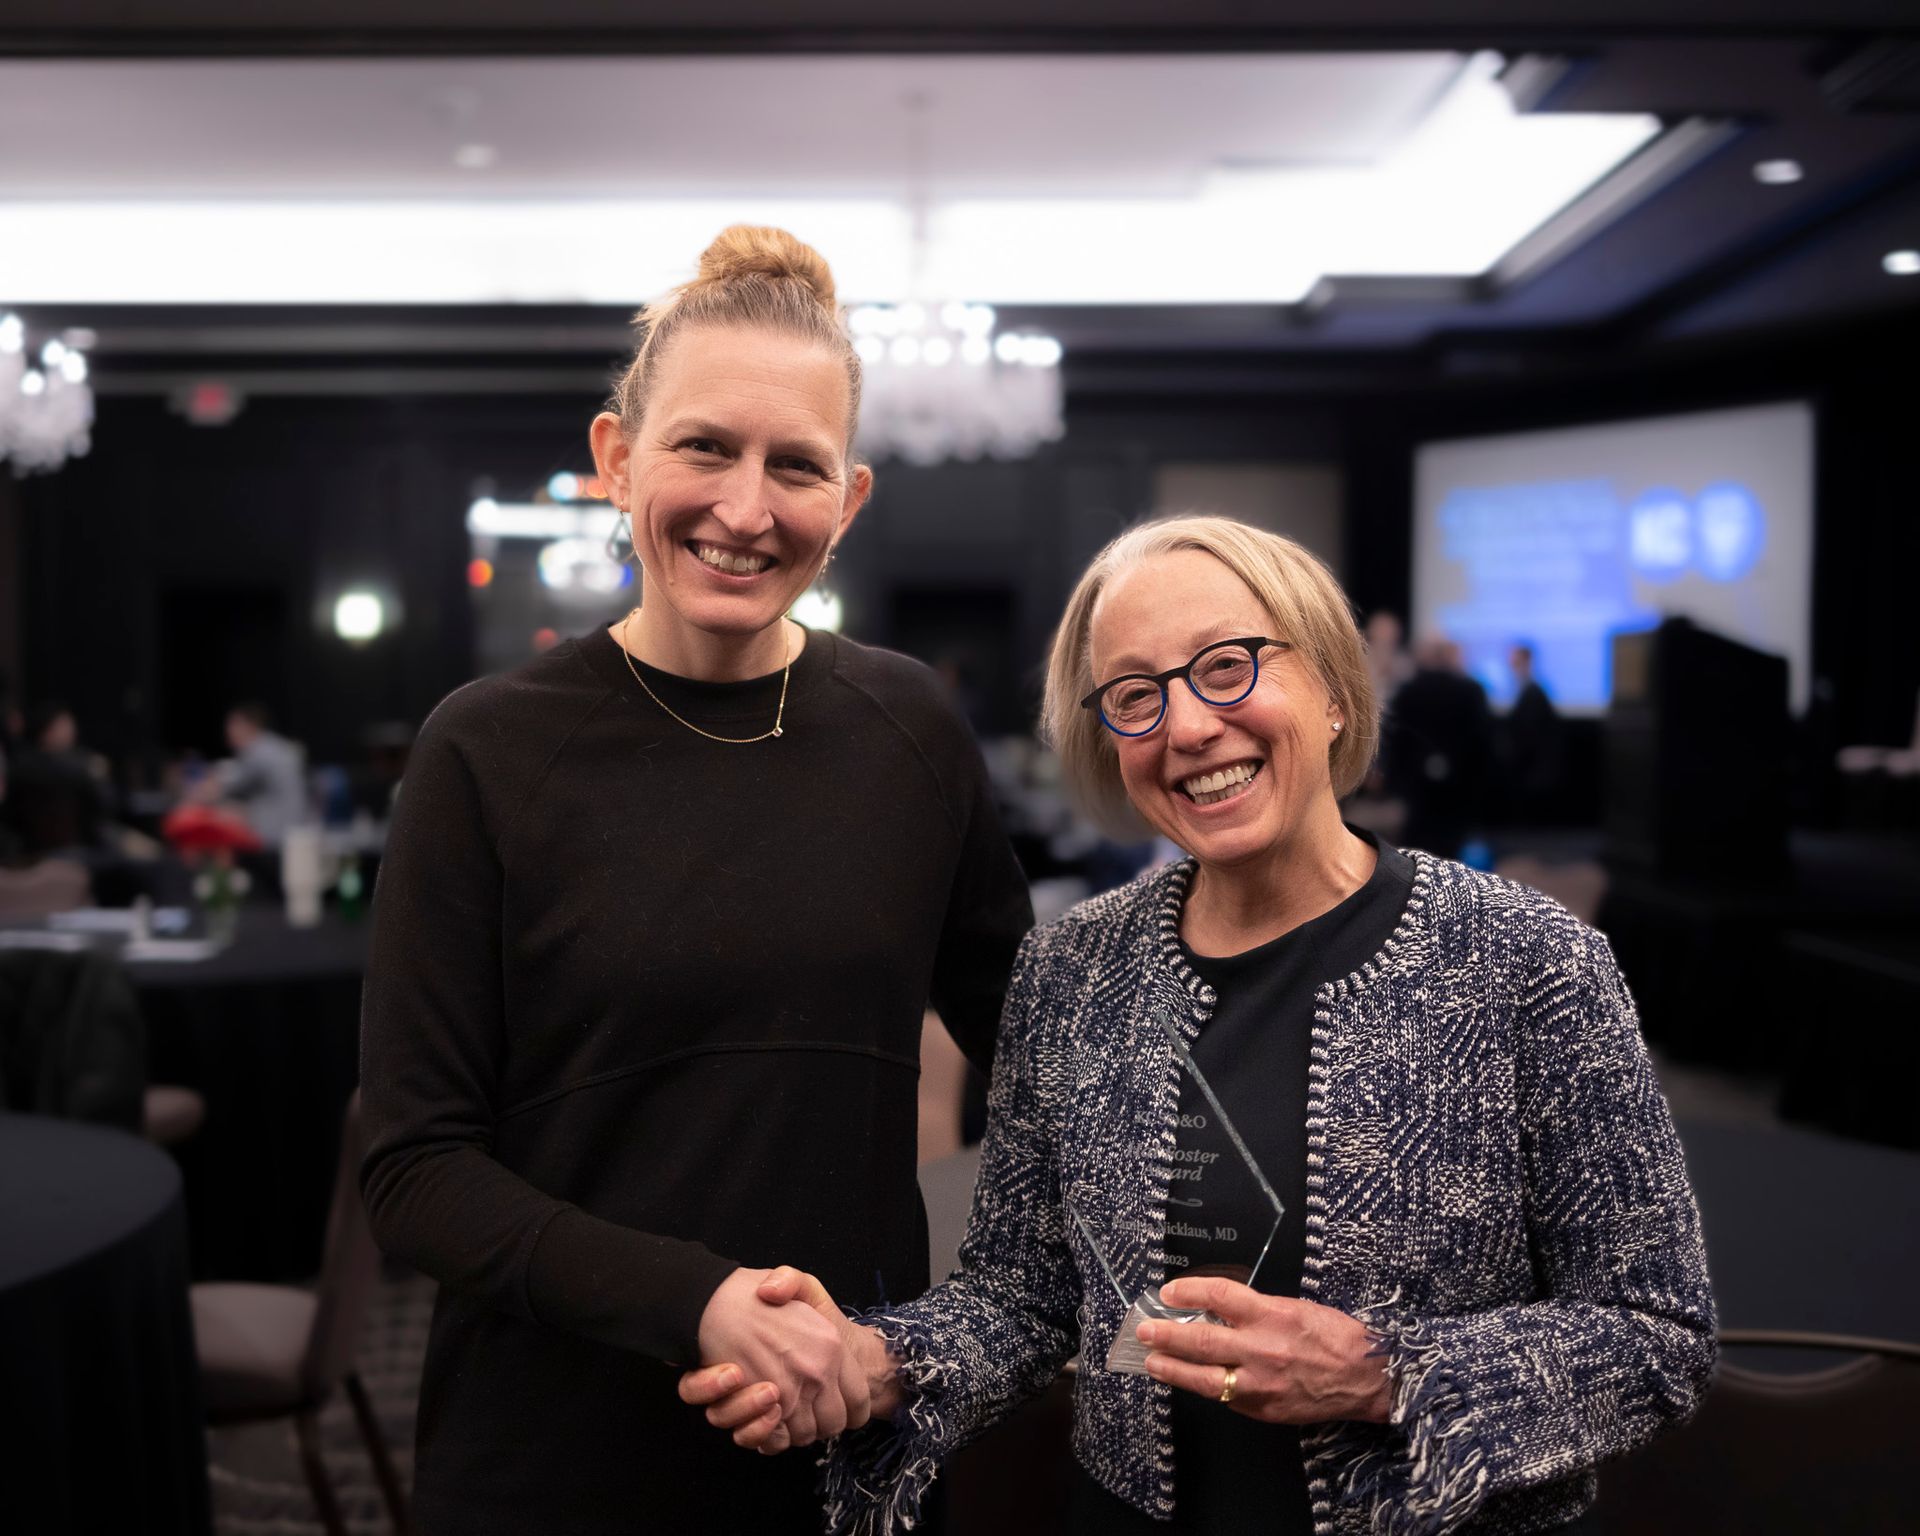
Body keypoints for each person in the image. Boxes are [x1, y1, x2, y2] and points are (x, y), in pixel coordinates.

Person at [688, 516, 1714, 1535]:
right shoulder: (1069, 970)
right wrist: (882, 1363)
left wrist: (1380, 1375)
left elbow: (1657, 1332)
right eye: (1136, 696)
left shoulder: (1524, 960)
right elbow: (1026, 1295)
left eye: (1227, 667)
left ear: (1330, 689)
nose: (1186, 728)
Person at [357, 226, 1032, 1535]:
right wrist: (700, 1302)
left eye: (798, 466)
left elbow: (1043, 1068)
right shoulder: (487, 750)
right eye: (704, 447)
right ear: (617, 459)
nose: (746, 506)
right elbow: (416, 1168)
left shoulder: (909, 731)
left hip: (849, 1436)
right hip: (556, 1449)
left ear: (851, 500)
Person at [1383, 635, 1494, 857]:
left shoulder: (1408, 692)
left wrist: (1395, 780)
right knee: (1453, 849)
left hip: (1417, 789)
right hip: (1460, 787)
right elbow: (1483, 742)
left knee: (1417, 850)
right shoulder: (1471, 690)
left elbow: (1395, 740)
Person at [195, 702, 308, 847]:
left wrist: (198, 793)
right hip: (294, 830)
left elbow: (218, 789)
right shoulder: (274, 745)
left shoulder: (259, 750)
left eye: (233, 725)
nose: (228, 732)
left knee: (210, 819)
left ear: (249, 726)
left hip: (275, 836)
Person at [1504, 642, 1564, 825]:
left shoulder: (1533, 693)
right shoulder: (1528, 690)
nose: (1510, 664)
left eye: (1515, 660)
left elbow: (1530, 735)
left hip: (1535, 771)